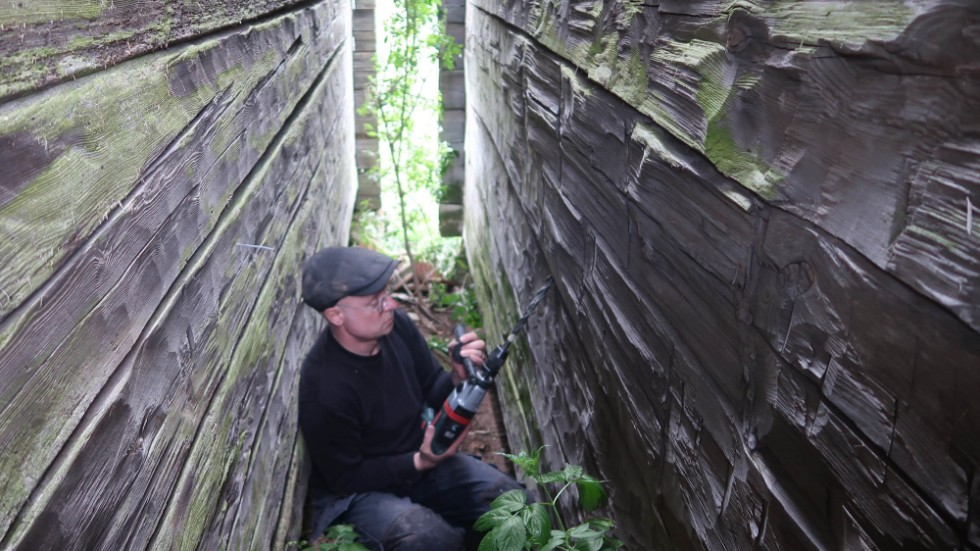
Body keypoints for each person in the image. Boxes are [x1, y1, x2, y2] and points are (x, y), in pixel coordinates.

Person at [298, 246, 525, 550]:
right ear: (336, 315)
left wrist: (457, 376)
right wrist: (419, 460)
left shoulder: (396, 327)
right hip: (361, 492)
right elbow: (346, 478)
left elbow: (431, 386)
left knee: (511, 504)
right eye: (375, 302)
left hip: (420, 462)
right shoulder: (324, 386)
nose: (390, 304)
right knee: (430, 539)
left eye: (386, 293)